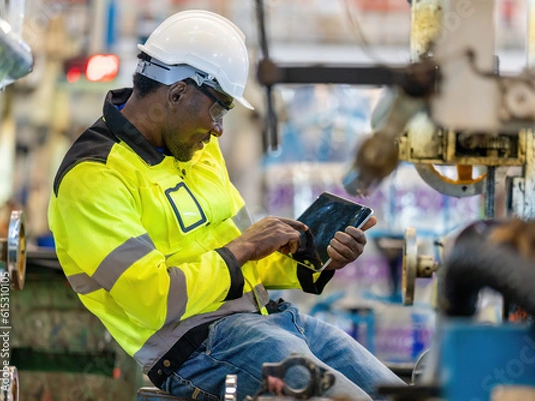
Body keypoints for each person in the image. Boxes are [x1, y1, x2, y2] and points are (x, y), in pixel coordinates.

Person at [48, 9, 404, 400]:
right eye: (217, 110)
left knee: (400, 394)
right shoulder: (93, 177)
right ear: (178, 92)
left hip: (272, 317)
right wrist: (244, 246)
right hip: (201, 346)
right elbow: (154, 299)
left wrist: (315, 257)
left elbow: (242, 262)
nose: (218, 128)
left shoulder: (197, 151)